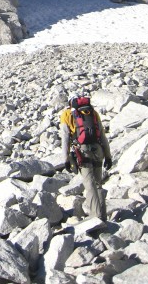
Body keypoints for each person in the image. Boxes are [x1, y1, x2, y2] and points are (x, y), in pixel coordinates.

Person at [60, 93, 112, 221]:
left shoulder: (66, 114)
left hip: (82, 152)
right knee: (98, 184)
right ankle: (103, 215)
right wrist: (108, 156)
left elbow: (65, 138)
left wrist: (65, 158)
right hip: (98, 150)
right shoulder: (92, 112)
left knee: (89, 185)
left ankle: (96, 217)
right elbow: (102, 136)